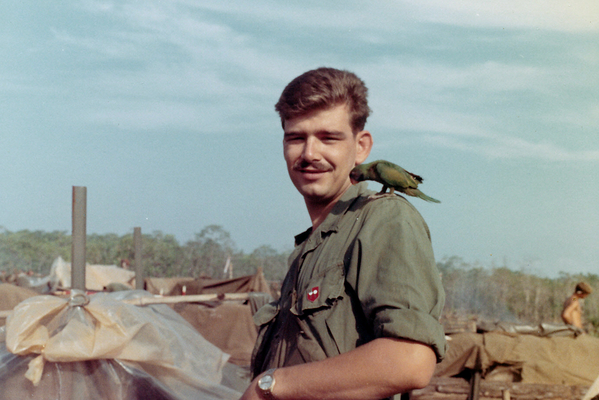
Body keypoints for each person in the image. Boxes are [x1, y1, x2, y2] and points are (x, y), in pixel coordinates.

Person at [240, 67, 446, 400]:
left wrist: (270, 386)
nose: (309, 153)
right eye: (296, 138)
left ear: (361, 146)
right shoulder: (316, 244)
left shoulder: (383, 218)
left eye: (328, 138)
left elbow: (410, 360)